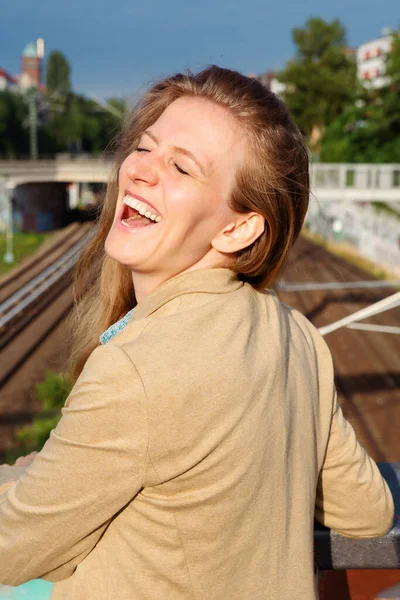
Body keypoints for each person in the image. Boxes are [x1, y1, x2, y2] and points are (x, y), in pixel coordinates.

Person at [0, 66, 394, 600]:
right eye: (144, 147)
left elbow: (14, 545)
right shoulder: (297, 335)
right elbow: (369, 511)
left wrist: (23, 477)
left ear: (239, 227)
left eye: (181, 167)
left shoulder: (136, 369)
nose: (138, 172)